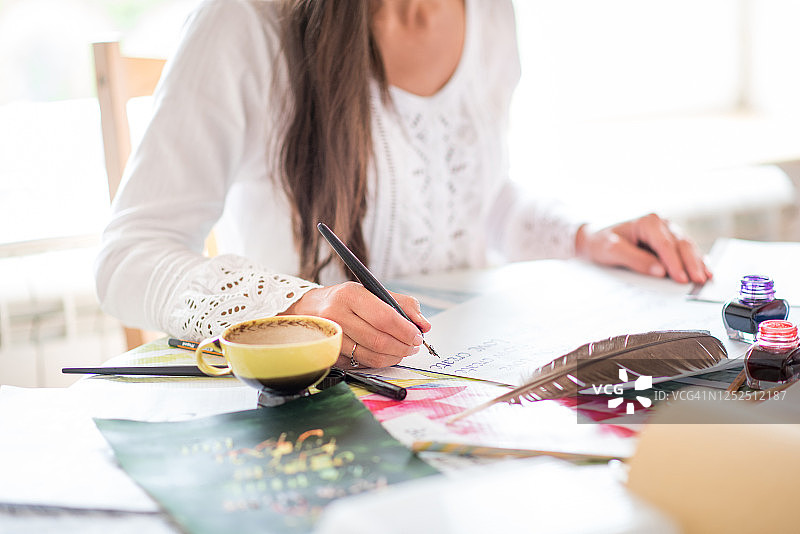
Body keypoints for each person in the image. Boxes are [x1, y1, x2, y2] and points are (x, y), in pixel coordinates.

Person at [95, 0, 712, 371]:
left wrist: (583, 235)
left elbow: (478, 198)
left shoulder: (491, 13)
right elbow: (128, 256)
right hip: (312, 417)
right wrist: (302, 308)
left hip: (471, 402)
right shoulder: (247, 22)